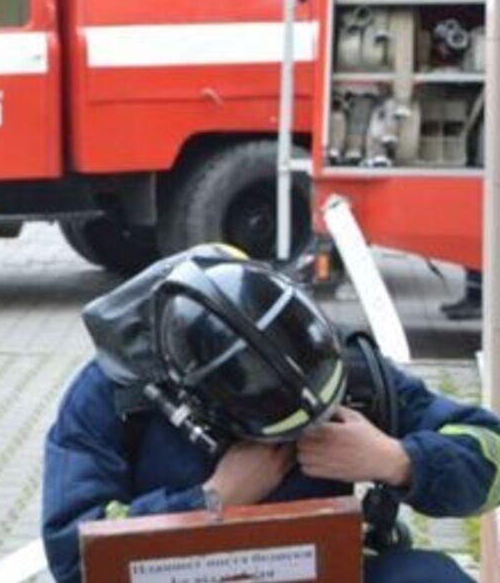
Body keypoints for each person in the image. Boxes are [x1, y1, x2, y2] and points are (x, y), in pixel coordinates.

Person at [42, 250, 500, 583]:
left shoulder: (331, 364)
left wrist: (396, 460)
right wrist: (210, 502)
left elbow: (491, 453)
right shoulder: (116, 394)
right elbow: (73, 555)